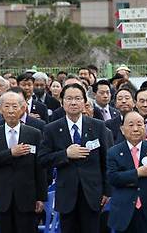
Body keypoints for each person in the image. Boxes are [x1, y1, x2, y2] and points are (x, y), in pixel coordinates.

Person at [38, 83, 113, 233]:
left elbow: (107, 161)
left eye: (78, 98)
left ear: (84, 102)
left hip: (93, 194)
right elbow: (42, 159)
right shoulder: (51, 128)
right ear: (62, 102)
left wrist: (107, 191)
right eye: (69, 98)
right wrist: (65, 154)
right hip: (67, 195)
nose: (73, 102)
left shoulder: (98, 126)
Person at [0, 91, 46, 233]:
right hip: (1, 198)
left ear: (22, 109)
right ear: (0, 109)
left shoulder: (34, 133)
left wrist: (41, 197)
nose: (11, 111)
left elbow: (40, 167)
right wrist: (10, 153)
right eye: (7, 106)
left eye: (15, 106)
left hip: (27, 198)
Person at [106, 111, 147, 233]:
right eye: (130, 125)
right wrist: (137, 173)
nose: (136, 129)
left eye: (139, 124)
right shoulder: (113, 152)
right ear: (122, 129)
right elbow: (113, 178)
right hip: (124, 211)